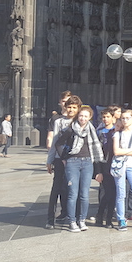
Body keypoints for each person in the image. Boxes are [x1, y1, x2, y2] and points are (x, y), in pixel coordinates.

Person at [52, 105, 104, 232]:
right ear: (77, 116)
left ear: (90, 117)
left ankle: (82, 220)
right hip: (73, 162)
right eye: (81, 116)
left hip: (87, 163)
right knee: (72, 194)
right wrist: (64, 158)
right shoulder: (70, 129)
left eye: (86, 116)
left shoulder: (91, 130)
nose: (83, 118)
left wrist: (98, 170)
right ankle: (72, 221)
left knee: (84, 194)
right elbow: (58, 143)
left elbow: (95, 151)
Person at [44, 95, 80, 228]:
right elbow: (55, 142)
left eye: (73, 107)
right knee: (56, 188)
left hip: (76, 160)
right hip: (60, 159)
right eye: (68, 107)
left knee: (74, 189)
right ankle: (50, 219)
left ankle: (74, 217)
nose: (70, 110)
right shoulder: (59, 121)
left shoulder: (80, 121)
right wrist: (50, 159)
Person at [95, 107, 118, 227]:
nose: (105, 119)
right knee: (107, 192)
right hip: (104, 165)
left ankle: (107, 217)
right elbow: (97, 152)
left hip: (115, 164)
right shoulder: (100, 131)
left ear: (113, 118)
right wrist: (98, 171)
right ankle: (102, 215)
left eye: (108, 117)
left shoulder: (117, 131)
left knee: (113, 193)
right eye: (104, 117)